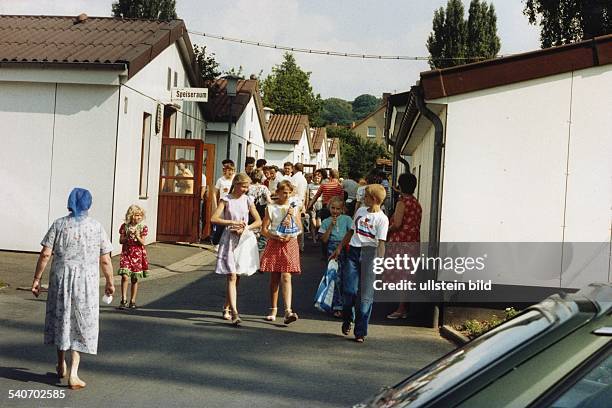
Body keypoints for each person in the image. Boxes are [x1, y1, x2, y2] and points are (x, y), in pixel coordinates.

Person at [31, 188, 114, 390]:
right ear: (89, 204)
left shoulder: (59, 224)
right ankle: (74, 373)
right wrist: (110, 282)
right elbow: (105, 259)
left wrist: (36, 279)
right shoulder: (96, 227)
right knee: (80, 321)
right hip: (86, 283)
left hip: (61, 279)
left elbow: (45, 254)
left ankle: (61, 363)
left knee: (62, 318)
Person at [331, 184, 388, 343]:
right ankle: (348, 318)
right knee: (349, 291)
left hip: (370, 254)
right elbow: (351, 232)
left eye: (366, 196)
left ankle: (360, 331)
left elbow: (381, 243)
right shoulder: (361, 211)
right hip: (354, 253)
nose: (363, 198)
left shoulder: (382, 219)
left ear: (375, 199)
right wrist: (340, 247)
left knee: (366, 298)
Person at [211, 173, 262, 325]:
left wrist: (246, 227)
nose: (245, 189)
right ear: (236, 184)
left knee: (237, 276)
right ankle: (235, 312)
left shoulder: (248, 200)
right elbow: (214, 218)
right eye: (243, 186)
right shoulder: (226, 199)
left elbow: (259, 220)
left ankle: (227, 306)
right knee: (232, 275)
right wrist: (231, 222)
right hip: (229, 239)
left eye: (247, 187)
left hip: (243, 239)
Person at [259, 180, 301, 324]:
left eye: (289, 193)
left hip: (289, 243)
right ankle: (273, 309)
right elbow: (263, 230)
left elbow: (299, 228)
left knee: (286, 275)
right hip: (275, 242)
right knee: (274, 277)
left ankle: (288, 310)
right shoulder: (270, 208)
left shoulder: (293, 207)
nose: (286, 195)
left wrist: (291, 233)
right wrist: (275, 236)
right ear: (277, 193)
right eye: (284, 192)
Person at [385, 173, 422, 319]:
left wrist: (386, 230)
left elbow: (397, 224)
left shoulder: (402, 203)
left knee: (401, 276)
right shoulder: (416, 203)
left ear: (400, 186)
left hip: (401, 242)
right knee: (408, 275)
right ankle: (405, 308)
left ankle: (400, 309)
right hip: (413, 241)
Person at [318, 196, 352, 318]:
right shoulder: (326, 221)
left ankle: (346, 305)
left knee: (345, 277)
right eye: (333, 208)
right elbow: (324, 239)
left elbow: (351, 234)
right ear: (329, 208)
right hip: (332, 248)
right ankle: (337, 305)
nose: (335, 211)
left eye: (338, 209)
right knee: (335, 277)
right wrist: (331, 226)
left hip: (345, 248)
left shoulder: (347, 219)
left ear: (342, 209)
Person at [117, 204, 149, 309]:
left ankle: (133, 300)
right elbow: (121, 241)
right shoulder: (124, 226)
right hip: (126, 253)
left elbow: (143, 243)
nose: (138, 217)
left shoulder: (143, 227)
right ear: (131, 216)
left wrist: (136, 235)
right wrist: (127, 236)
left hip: (137, 254)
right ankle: (123, 299)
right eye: (136, 215)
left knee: (134, 278)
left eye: (140, 215)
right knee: (125, 276)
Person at [212, 160, 236, 248]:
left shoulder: (235, 180)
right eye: (229, 170)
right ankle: (216, 242)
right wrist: (215, 204)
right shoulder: (220, 180)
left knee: (231, 223)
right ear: (225, 170)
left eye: (232, 170)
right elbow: (214, 192)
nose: (230, 172)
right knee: (220, 223)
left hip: (232, 204)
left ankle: (227, 243)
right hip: (222, 204)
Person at [291, 162, 309, 252]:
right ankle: (300, 245)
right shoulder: (304, 179)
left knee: (294, 223)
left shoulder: (295, 177)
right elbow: (305, 193)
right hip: (301, 202)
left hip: (294, 202)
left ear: (294, 168)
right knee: (299, 224)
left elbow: (293, 191)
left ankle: (295, 246)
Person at [307, 171, 323, 243]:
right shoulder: (310, 185)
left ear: (321, 178)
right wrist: (307, 205)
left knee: (319, 223)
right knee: (313, 222)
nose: (317, 179)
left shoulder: (322, 186)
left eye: (318, 178)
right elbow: (307, 196)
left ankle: (316, 234)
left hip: (320, 203)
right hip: (312, 203)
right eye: (315, 178)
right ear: (313, 178)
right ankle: (314, 238)